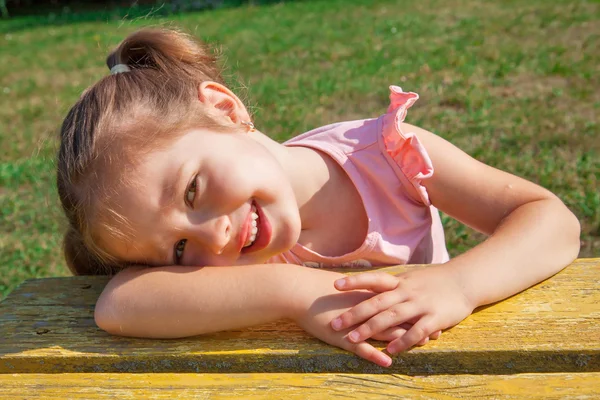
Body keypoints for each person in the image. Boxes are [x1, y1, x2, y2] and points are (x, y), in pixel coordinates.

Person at [57, 27, 581, 368]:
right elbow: (119, 304)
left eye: (193, 190)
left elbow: (551, 221)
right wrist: (295, 292)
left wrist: (460, 284)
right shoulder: (237, 256)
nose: (211, 237)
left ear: (225, 110)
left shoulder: (389, 155)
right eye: (176, 250)